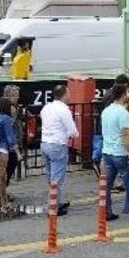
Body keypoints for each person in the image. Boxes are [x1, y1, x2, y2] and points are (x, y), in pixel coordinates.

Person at [101, 83, 129, 220]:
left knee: (107, 184)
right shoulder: (123, 112)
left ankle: (106, 211)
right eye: (127, 93)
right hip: (120, 152)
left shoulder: (106, 111)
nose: (128, 95)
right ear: (123, 95)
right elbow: (125, 135)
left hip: (107, 151)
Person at [39, 85, 78, 216]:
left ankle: (58, 201)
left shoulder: (46, 108)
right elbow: (72, 130)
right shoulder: (64, 110)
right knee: (57, 178)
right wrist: (73, 134)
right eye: (68, 93)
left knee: (51, 176)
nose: (70, 95)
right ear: (64, 95)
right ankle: (55, 206)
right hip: (57, 144)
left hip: (45, 143)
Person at [3, 85, 24, 191]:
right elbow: (10, 129)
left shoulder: (3, 107)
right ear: (9, 96)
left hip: (6, 145)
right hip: (11, 145)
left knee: (4, 171)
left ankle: (1, 193)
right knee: (9, 169)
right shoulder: (11, 110)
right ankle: (1, 194)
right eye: (15, 96)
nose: (17, 98)